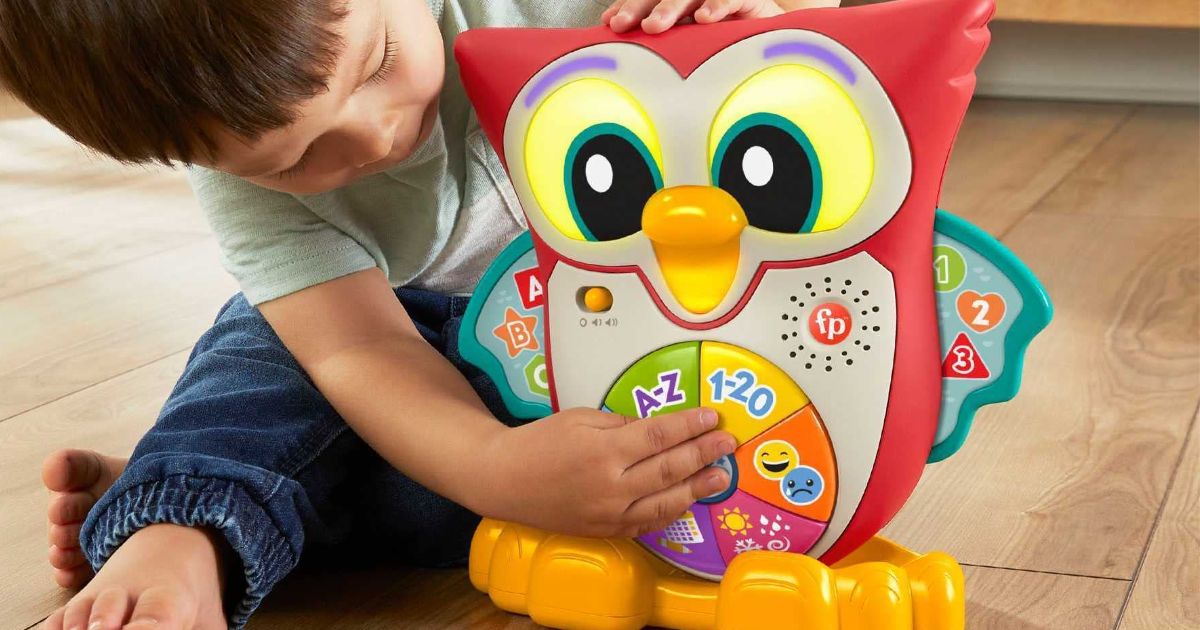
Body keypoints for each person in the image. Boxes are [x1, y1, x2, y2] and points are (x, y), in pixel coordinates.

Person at [0, 0, 838, 628]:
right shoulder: (244, 192)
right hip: (403, 340)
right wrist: (494, 467)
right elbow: (357, 352)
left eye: (377, 64)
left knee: (446, 499)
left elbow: (816, 70)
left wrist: (763, 13)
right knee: (268, 356)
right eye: (295, 160)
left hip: (623, 329)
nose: (372, 138)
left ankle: (233, 487)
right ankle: (190, 519)